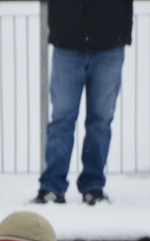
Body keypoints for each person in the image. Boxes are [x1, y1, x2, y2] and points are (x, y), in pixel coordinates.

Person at [34, 0, 133, 206]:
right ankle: (52, 186)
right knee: (62, 119)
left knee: (101, 121)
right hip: (67, 39)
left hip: (110, 40)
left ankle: (93, 185)